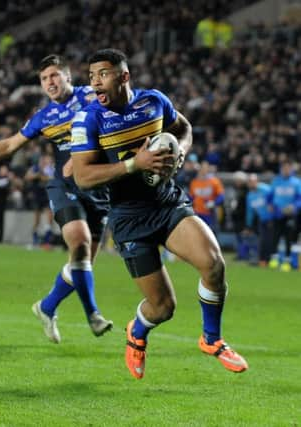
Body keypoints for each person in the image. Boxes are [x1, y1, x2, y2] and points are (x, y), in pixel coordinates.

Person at [70, 48, 247, 379]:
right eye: (91, 76)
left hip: (167, 203)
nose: (95, 82)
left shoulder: (153, 102)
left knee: (214, 264)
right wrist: (134, 164)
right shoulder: (88, 119)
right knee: (163, 308)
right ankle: (137, 332)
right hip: (128, 217)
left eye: (103, 74)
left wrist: (181, 150)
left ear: (124, 77)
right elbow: (82, 176)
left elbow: (184, 127)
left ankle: (212, 339)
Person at [0, 54, 113, 343]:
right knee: (79, 243)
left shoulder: (94, 95)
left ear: (68, 76)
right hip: (65, 185)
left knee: (82, 261)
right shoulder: (44, 117)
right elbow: (10, 145)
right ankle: (93, 315)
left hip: (100, 189)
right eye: (44, 79)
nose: (49, 82)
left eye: (54, 75)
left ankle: (46, 307)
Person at [267, 160, 301, 272]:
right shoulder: (276, 181)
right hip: (277, 213)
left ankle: (287, 261)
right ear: (281, 169)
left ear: (291, 169)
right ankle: (274, 259)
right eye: (284, 168)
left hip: (290, 214)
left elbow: (299, 198)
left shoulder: (296, 182)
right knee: (275, 236)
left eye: (288, 168)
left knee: (289, 237)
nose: (286, 170)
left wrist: (294, 207)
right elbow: (270, 196)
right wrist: (270, 205)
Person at [245, 173, 273, 267]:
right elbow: (250, 212)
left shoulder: (266, 189)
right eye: (249, 182)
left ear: (257, 181)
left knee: (270, 240)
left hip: (272, 219)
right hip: (262, 220)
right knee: (262, 241)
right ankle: (263, 260)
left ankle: (270, 259)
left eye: (253, 181)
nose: (251, 184)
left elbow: (274, 198)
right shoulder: (250, 196)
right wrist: (248, 225)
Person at [189, 161, 225, 231]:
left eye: (205, 168)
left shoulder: (214, 181)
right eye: (202, 168)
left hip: (210, 214)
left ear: (208, 169)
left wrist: (214, 203)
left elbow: (221, 196)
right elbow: (191, 198)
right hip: (198, 213)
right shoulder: (194, 182)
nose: (203, 170)